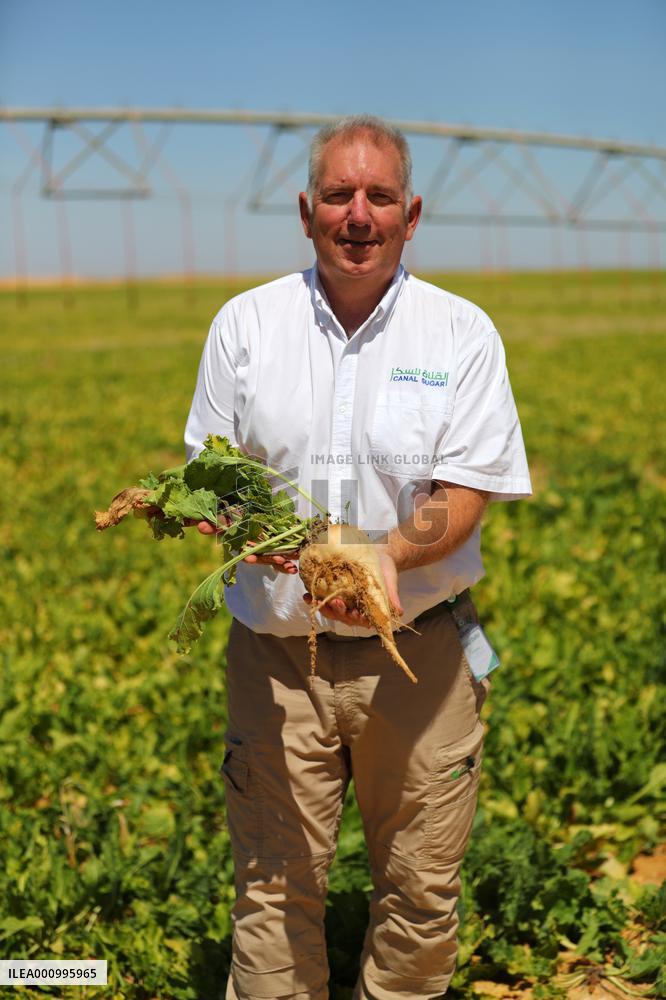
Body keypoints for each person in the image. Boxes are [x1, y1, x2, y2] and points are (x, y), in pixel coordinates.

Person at [184, 115, 532, 1000]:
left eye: (379, 196)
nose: (359, 214)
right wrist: (281, 548)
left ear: (411, 216)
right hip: (276, 663)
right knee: (271, 888)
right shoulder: (245, 326)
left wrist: (381, 557)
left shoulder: (461, 334)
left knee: (419, 893)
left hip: (419, 659)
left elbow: (465, 490)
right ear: (307, 212)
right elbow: (211, 483)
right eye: (339, 195)